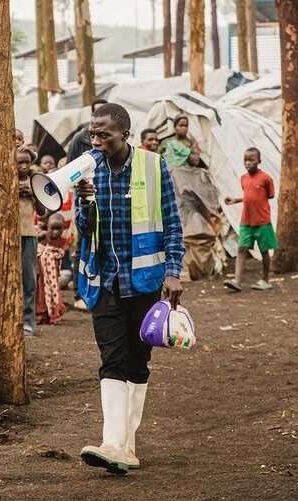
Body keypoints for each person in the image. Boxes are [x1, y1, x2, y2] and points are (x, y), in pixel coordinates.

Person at [74, 103, 184, 474]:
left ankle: (127, 447)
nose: (96, 140)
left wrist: (173, 272)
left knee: (138, 363)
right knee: (111, 361)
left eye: (104, 133)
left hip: (145, 283)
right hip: (103, 282)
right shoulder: (88, 171)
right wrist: (84, 201)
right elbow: (84, 229)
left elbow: (172, 224)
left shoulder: (154, 166)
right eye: (92, 133)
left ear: (124, 132)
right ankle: (111, 442)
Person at [223, 147, 276, 291]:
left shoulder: (266, 178)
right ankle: (237, 281)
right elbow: (248, 196)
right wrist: (235, 200)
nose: (248, 163)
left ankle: (265, 280)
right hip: (246, 221)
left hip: (262, 221)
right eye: (245, 160)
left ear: (259, 161)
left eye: (251, 160)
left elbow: (269, 195)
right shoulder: (243, 178)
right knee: (242, 248)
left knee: (264, 250)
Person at [16, 149, 40, 336]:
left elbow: (42, 211)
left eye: (27, 162)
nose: (24, 166)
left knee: (29, 280)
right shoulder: (5, 178)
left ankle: (28, 322)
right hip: (9, 236)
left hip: (29, 234)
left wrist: (32, 194)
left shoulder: (35, 181)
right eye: (19, 162)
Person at [36, 213, 72, 325]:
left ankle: (52, 311)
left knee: (53, 290)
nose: (55, 232)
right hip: (43, 270)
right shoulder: (43, 237)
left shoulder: (64, 241)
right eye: (53, 228)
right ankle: (42, 314)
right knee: (42, 290)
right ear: (47, 227)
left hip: (55, 272)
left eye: (58, 229)